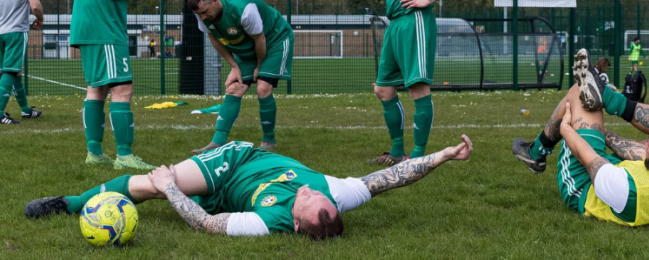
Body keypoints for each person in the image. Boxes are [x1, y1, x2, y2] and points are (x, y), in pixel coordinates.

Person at [25, 134, 473, 239]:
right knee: (147, 186)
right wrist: (443, 156)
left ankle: (174, 179)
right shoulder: (339, 195)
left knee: (168, 186)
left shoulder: (265, 224)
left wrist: (175, 188)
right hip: (237, 159)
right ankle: (70, 202)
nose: (310, 192)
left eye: (307, 202)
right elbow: (390, 179)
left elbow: (206, 222)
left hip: (224, 195)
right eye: (317, 195)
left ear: (294, 226)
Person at [511, 49, 649, 226]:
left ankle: (538, 151)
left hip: (585, 182)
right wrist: (601, 132)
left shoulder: (628, 191)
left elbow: (587, 156)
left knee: (580, 93)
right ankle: (608, 97)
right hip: (624, 171)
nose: (644, 143)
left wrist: (566, 127)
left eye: (648, 144)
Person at [371, 0, 465, 165]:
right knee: (383, 89)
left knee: (418, 89)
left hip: (415, 23)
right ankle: (398, 152)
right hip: (396, 25)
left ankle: (419, 156)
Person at [71, 0, 154, 170]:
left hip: (88, 26)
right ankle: (124, 155)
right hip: (104, 28)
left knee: (97, 88)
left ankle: (94, 153)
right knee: (122, 88)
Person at [187, 0, 294, 153]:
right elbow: (214, 39)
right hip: (250, 45)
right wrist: (234, 66)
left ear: (214, 0)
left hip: (274, 39)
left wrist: (258, 66)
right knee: (233, 88)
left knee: (263, 87)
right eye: (199, 14)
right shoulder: (202, 14)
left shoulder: (244, 10)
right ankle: (217, 142)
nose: (203, 17)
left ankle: (268, 142)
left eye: (205, 12)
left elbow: (260, 39)